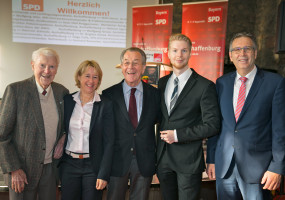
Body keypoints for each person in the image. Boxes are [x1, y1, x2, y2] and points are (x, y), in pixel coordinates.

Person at [206, 32, 285, 199]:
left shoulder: (275, 83)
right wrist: (211, 159)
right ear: (230, 55)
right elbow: (216, 124)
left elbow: (280, 129)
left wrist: (277, 167)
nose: (242, 54)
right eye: (237, 49)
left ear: (255, 53)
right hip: (224, 168)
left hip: (259, 170)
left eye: (247, 49)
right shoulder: (221, 83)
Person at [156, 33, 220, 200]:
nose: (179, 55)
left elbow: (212, 125)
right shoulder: (162, 83)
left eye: (184, 50)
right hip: (163, 159)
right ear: (168, 53)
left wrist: (177, 135)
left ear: (190, 53)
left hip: (188, 160)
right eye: (175, 50)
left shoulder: (205, 86)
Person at [0, 47, 69, 200]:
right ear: (32, 65)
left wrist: (64, 136)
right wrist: (14, 168)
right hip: (21, 171)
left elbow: (66, 124)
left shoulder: (62, 92)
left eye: (52, 66)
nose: (47, 71)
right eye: (42, 65)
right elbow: (2, 136)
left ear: (56, 69)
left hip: (51, 170)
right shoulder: (15, 90)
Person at [102, 47, 160, 200]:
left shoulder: (155, 95)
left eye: (135, 63)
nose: (130, 67)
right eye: (126, 63)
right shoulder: (108, 95)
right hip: (116, 160)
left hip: (144, 160)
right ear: (121, 67)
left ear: (143, 68)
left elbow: (158, 123)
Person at [59, 60, 115, 200]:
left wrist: (103, 174)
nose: (91, 80)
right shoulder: (67, 100)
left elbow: (109, 142)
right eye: (87, 76)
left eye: (95, 77)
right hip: (69, 165)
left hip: (93, 166)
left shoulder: (105, 104)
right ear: (79, 77)